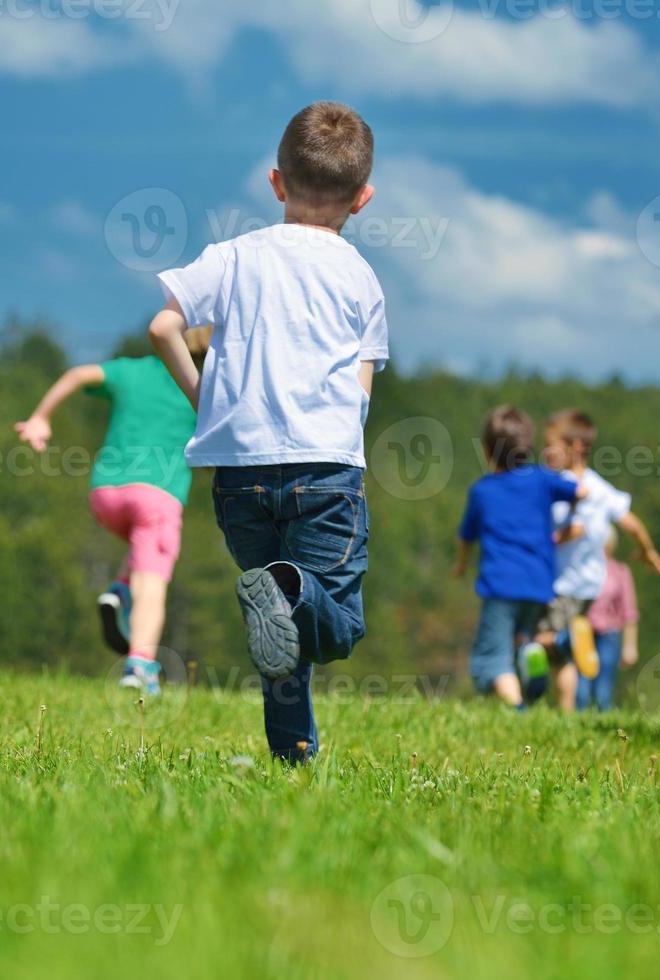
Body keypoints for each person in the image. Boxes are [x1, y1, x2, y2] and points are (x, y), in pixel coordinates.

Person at [148, 102, 387, 762]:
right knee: (332, 629)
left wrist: (204, 401)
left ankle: (292, 756)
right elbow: (360, 391)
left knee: (278, 628)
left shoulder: (231, 257)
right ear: (361, 200)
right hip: (325, 470)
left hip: (238, 472)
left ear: (275, 181)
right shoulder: (359, 277)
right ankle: (286, 592)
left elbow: (162, 327)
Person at [13, 329, 210, 696]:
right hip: (158, 497)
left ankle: (120, 590)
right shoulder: (204, 389)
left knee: (142, 547)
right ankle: (140, 665)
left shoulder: (134, 370)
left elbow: (76, 375)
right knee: (152, 585)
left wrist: (41, 417)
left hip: (106, 494)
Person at [535, 409, 660, 711]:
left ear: (576, 447)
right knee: (558, 659)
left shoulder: (564, 484)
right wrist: (648, 550)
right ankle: (566, 714)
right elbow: (631, 523)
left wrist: (545, 540)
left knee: (542, 640)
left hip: (562, 582)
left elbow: (574, 528)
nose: (544, 451)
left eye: (550, 444)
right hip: (590, 583)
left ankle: (567, 643)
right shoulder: (601, 486)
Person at [454, 406, 584, 708]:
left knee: (490, 659)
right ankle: (547, 644)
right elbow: (580, 491)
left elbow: (465, 538)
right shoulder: (542, 479)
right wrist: (566, 526)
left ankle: (517, 707)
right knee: (519, 639)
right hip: (539, 583)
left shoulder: (482, 491)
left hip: (501, 586)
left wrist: (461, 565)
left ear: (487, 451)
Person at [577, 530, 638, 712]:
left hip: (609, 634)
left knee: (603, 689)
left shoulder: (620, 571)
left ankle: (605, 723)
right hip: (583, 634)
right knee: (581, 689)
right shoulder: (581, 570)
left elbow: (629, 611)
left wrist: (630, 646)